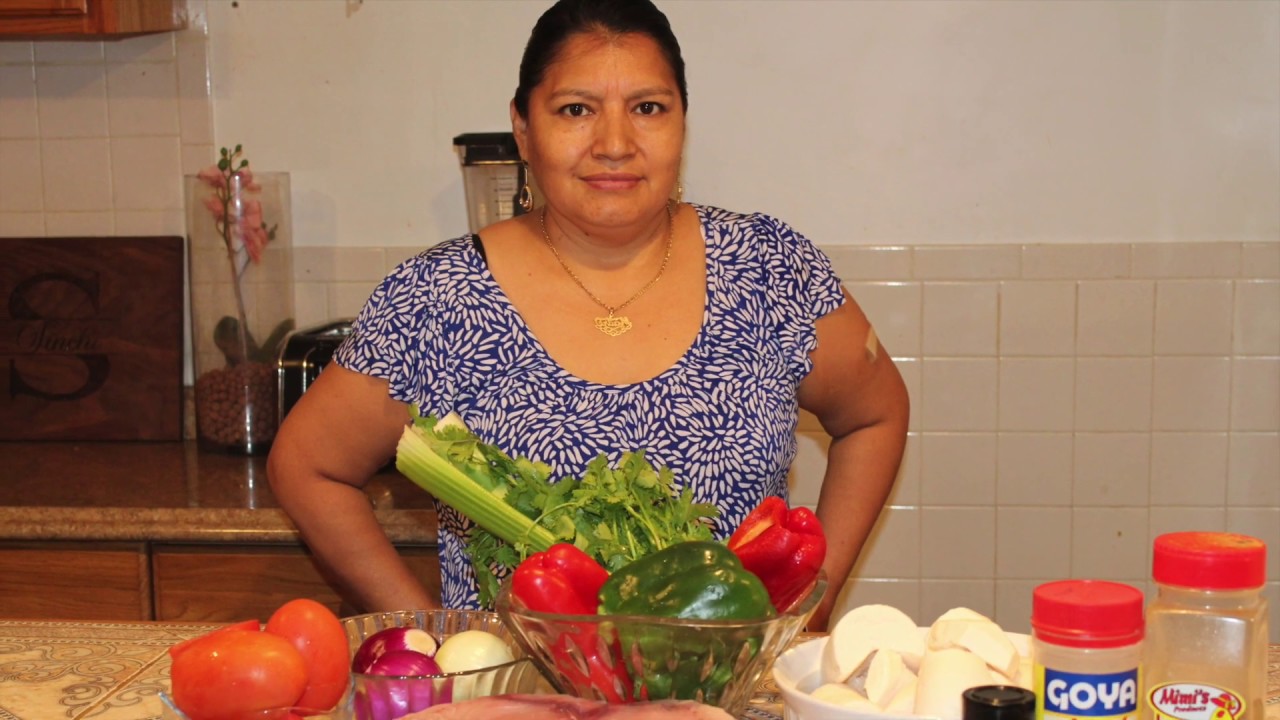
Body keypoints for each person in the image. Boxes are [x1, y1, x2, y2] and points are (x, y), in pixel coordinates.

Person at [267, 0, 908, 632]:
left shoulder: (768, 267)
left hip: (727, 696)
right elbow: (307, 466)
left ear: (683, 123)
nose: (614, 144)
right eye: (576, 110)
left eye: (648, 108)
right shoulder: (439, 297)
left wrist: (811, 603)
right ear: (523, 127)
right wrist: (436, 634)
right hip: (526, 699)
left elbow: (876, 413)